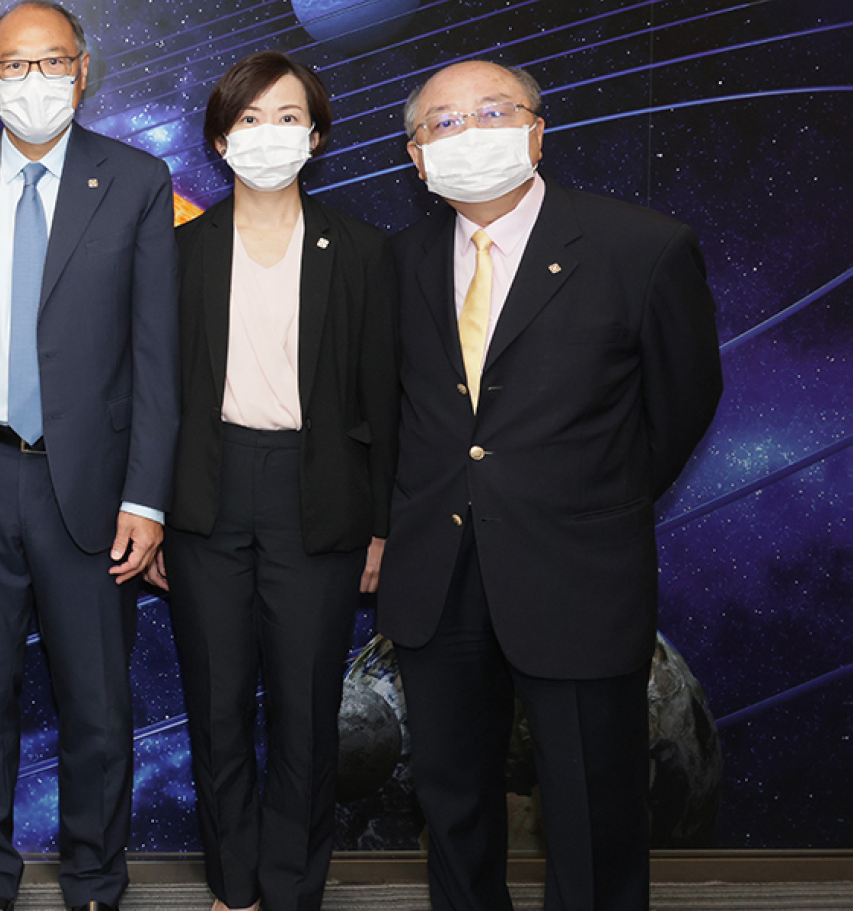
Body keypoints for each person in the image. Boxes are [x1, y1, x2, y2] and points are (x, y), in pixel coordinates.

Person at [382, 60, 722, 911]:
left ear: (537, 128)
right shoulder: (394, 263)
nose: (470, 134)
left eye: (492, 112)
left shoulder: (641, 247)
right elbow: (387, 414)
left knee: (593, 810)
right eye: (444, 124)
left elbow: (681, 403)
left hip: (577, 573)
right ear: (417, 157)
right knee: (453, 803)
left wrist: (593, 500)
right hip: (438, 575)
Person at [0, 0, 180, 911]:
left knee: (97, 704)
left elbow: (157, 356)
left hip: (90, 485)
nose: (34, 82)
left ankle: (95, 877)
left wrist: (146, 497)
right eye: (13, 67)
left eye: (51, 62)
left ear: (84, 70)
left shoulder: (136, 181)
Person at [164, 52, 397, 911]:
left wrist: (380, 525)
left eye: (289, 117)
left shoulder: (365, 252)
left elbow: (386, 400)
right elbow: (152, 396)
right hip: (205, 499)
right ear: (221, 141)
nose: (270, 134)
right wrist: (151, 512)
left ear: (318, 134)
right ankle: (234, 887)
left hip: (320, 499)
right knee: (218, 707)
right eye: (250, 119)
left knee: (304, 711)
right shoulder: (180, 253)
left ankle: (295, 889)